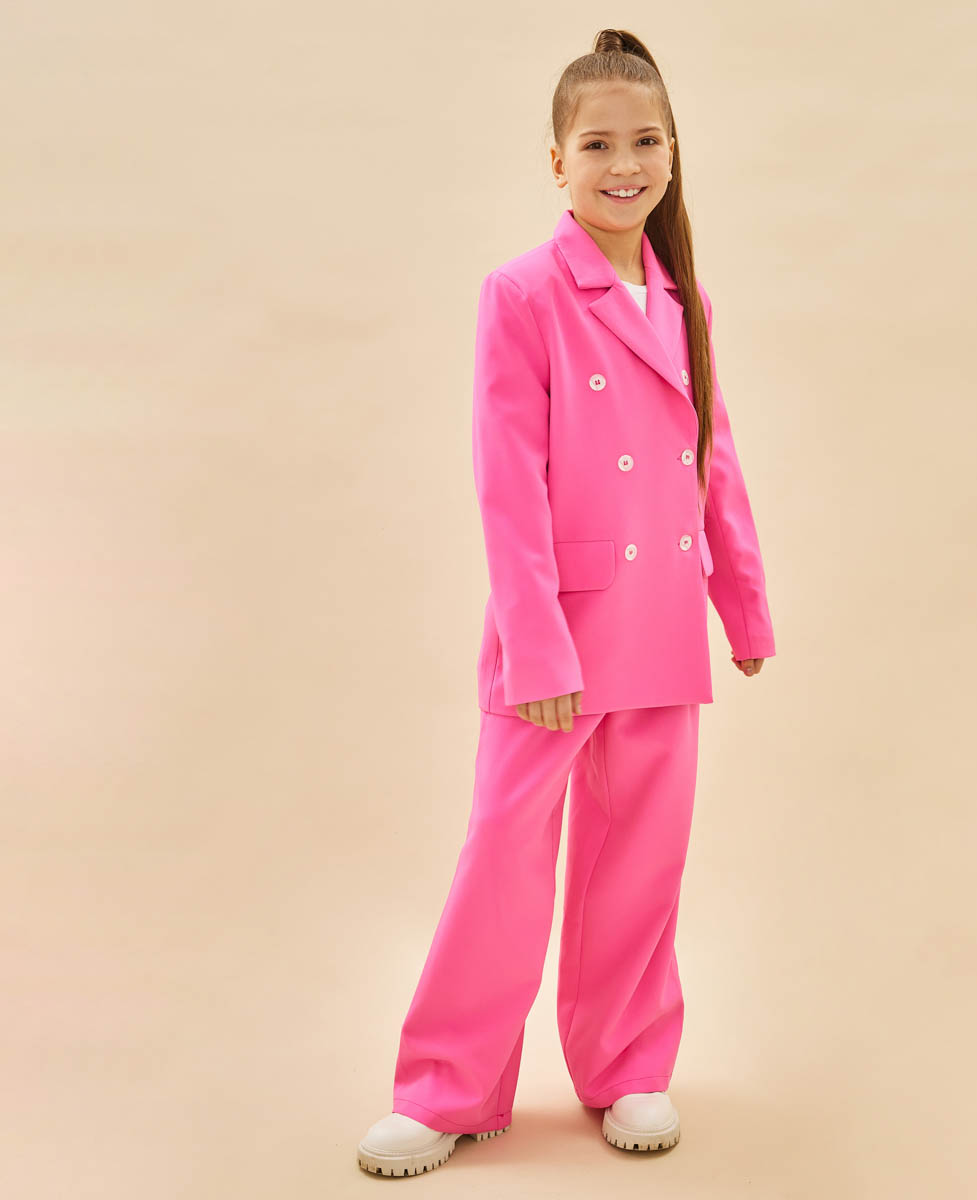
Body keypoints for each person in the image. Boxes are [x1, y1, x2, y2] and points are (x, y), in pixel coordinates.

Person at [357, 27, 776, 1178]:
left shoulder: (686, 300)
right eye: (597, 144)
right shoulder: (523, 293)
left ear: (674, 153)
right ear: (557, 161)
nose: (623, 164)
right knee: (503, 858)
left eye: (646, 141)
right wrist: (537, 649)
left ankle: (628, 1064)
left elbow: (713, 458)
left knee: (641, 861)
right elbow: (508, 481)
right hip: (559, 633)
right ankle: (447, 1086)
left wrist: (742, 603)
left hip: (662, 621)